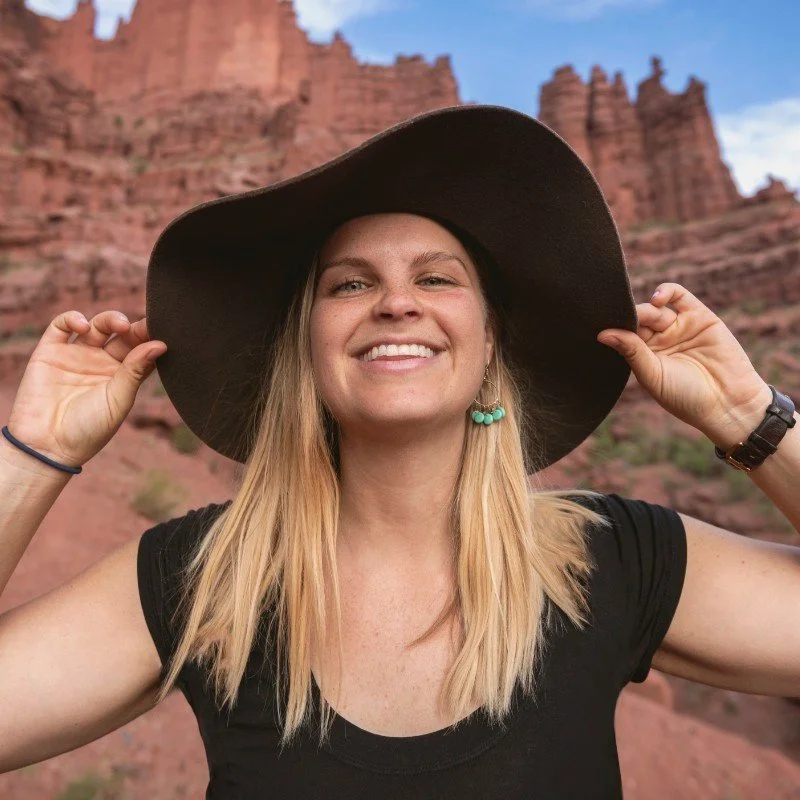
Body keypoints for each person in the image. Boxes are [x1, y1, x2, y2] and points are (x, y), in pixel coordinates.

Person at [0, 105, 798, 799]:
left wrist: (749, 418)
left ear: (490, 345)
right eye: (349, 285)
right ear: (306, 350)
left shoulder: (613, 560)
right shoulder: (207, 581)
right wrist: (33, 450)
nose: (396, 302)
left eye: (438, 278)